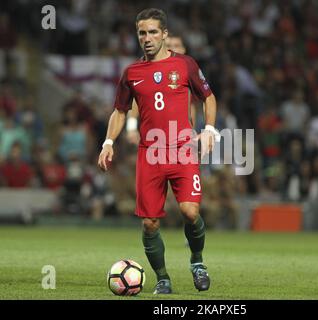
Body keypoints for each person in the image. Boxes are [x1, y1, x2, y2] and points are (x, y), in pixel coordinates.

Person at [98, 8, 220, 294]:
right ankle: (163, 279)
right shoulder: (132, 73)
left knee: (190, 212)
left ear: (164, 34)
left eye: (153, 32)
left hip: (182, 149)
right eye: (142, 33)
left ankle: (197, 262)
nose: (147, 38)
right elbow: (119, 110)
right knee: (150, 223)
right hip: (150, 154)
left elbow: (208, 96)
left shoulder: (186, 65)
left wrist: (210, 129)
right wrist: (107, 142)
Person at [126, 33, 197, 144]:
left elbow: (191, 105)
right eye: (168, 45)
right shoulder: (150, 71)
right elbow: (137, 98)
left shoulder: (188, 72)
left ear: (184, 49)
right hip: (151, 137)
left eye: (176, 45)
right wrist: (131, 128)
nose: (172, 49)